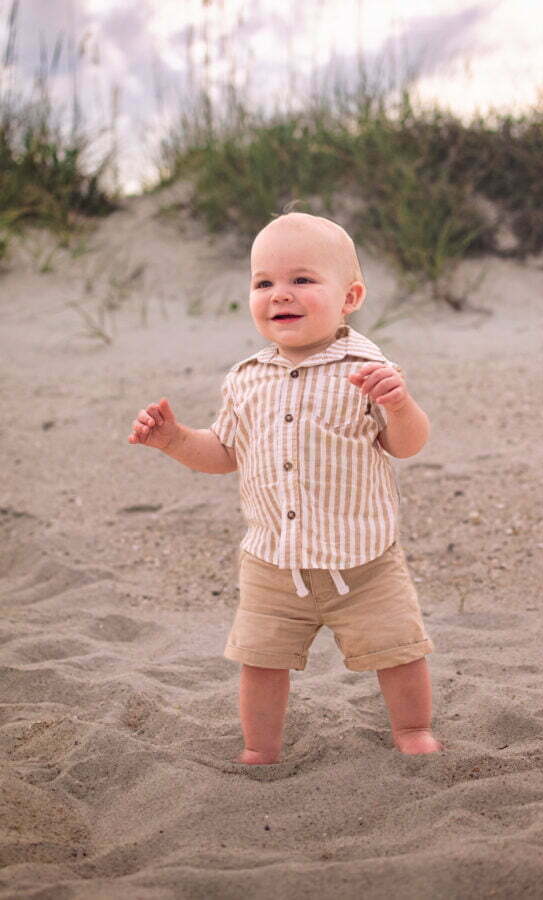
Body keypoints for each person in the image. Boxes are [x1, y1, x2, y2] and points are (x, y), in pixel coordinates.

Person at [128, 211, 442, 764]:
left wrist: (399, 403)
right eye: (263, 282)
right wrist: (175, 440)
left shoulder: (368, 368)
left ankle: (412, 728)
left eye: (301, 280)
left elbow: (407, 444)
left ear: (350, 297)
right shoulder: (246, 378)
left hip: (364, 561)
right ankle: (261, 746)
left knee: (399, 651)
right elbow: (225, 452)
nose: (280, 295)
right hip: (273, 562)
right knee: (260, 660)